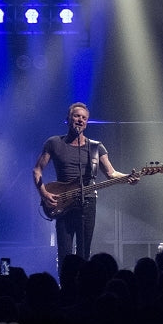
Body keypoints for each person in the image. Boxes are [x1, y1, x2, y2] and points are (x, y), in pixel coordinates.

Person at [32, 101, 139, 273]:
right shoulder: (54, 143)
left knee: (84, 252)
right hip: (63, 202)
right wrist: (44, 193)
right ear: (68, 119)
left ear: (87, 122)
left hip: (87, 203)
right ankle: (66, 285)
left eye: (84, 118)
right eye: (76, 116)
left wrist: (128, 178)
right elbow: (37, 170)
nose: (80, 120)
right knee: (65, 252)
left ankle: (83, 284)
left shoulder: (95, 147)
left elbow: (111, 173)